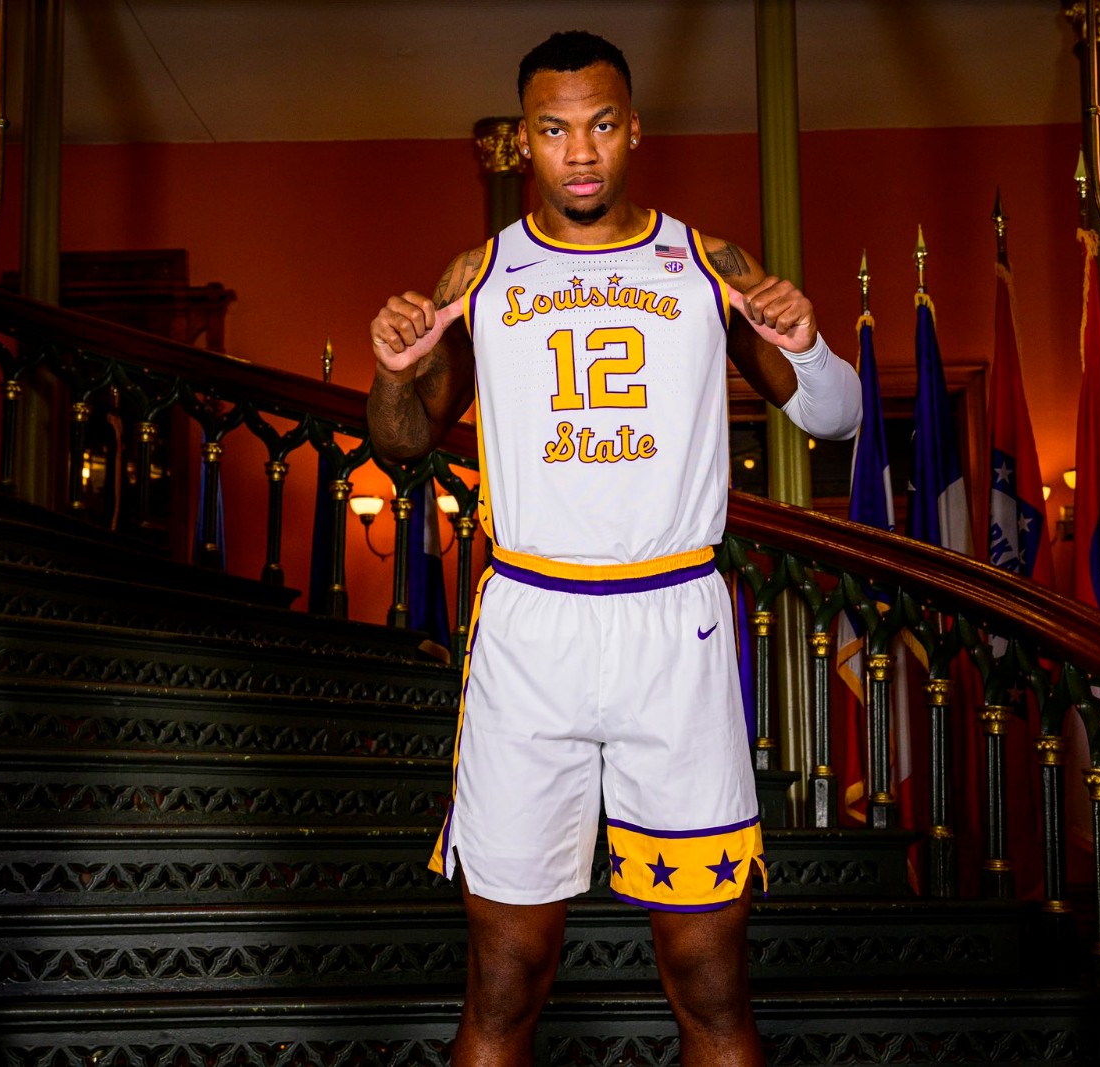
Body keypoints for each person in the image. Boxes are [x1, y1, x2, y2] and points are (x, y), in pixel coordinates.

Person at [366, 30, 861, 1066]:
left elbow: (836, 418)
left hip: (672, 626)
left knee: (710, 978)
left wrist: (808, 343)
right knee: (505, 976)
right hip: (531, 626)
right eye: (554, 130)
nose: (580, 152)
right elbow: (401, 442)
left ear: (634, 129)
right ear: (523, 142)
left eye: (599, 125)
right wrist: (392, 371)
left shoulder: (709, 264)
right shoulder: (479, 274)